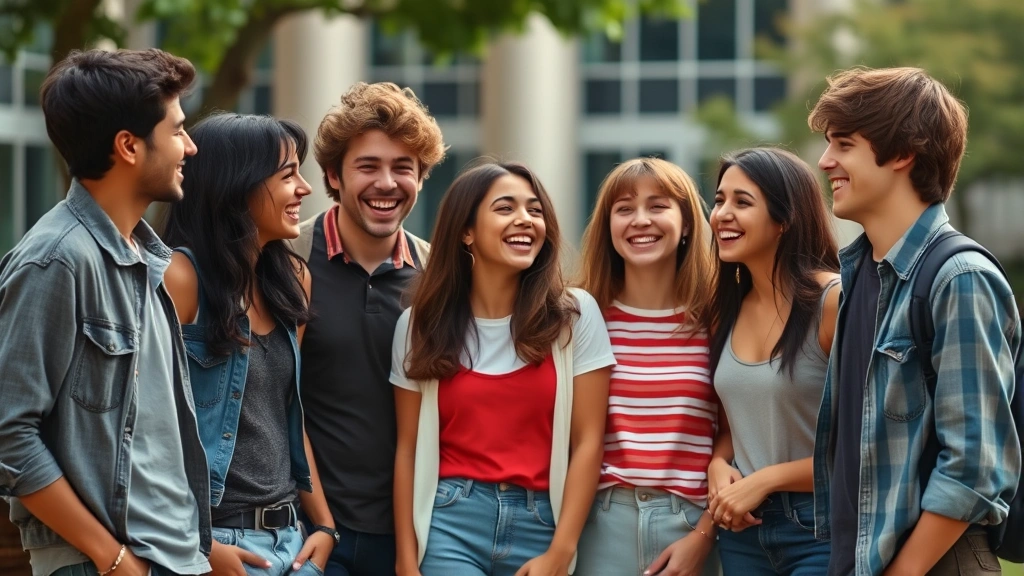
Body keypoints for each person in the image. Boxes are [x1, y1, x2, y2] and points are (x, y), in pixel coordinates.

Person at [0, 49, 211, 576]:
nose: (191, 145)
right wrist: (110, 558)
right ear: (128, 146)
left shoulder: (148, 260)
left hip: (171, 557)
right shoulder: (56, 261)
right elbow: (9, 433)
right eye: (178, 130)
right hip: (99, 563)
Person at [808, 66, 1021, 575]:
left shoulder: (958, 278)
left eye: (844, 144)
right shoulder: (859, 276)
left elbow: (974, 469)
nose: (825, 160)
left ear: (903, 153)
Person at [391, 161, 615, 576]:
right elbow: (407, 449)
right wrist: (406, 560)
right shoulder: (419, 325)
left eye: (534, 209)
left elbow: (588, 442)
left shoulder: (575, 315)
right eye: (505, 208)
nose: (525, 220)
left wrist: (560, 552)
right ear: (466, 231)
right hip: (449, 521)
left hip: (543, 522)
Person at [162, 113, 338, 576]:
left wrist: (324, 526)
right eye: (288, 175)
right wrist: (201, 545)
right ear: (236, 186)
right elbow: (150, 431)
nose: (305, 189)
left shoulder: (293, 280)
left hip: (294, 542)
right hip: (217, 545)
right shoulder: (180, 278)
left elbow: (286, 418)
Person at [288, 81, 445, 576]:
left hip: (417, 537)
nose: (387, 183)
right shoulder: (287, 262)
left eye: (403, 168)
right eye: (368, 166)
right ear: (334, 175)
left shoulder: (440, 276)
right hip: (308, 534)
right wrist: (319, 523)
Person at [574, 157, 720, 576]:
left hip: (693, 525)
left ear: (687, 223)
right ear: (608, 227)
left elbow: (733, 438)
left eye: (658, 206)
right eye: (624, 209)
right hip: (599, 524)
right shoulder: (579, 319)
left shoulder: (719, 321)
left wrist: (704, 535)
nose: (641, 220)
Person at [704, 147, 839, 575]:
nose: (722, 213)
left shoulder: (834, 301)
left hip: (821, 525)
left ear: (785, 219)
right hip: (743, 532)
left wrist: (766, 478)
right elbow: (736, 425)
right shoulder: (725, 310)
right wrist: (718, 464)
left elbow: (866, 442)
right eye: (720, 200)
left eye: (742, 202)